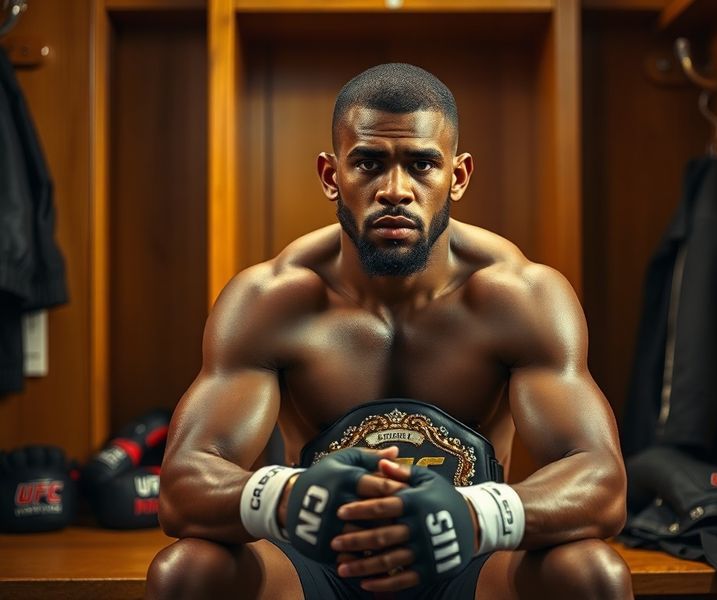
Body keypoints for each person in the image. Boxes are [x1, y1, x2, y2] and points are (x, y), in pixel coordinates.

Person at [145, 63, 633, 600]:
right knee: (186, 571)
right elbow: (182, 488)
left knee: (591, 574)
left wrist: (474, 515)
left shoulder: (520, 297)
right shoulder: (271, 300)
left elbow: (602, 484)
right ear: (333, 176)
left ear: (458, 175)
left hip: (468, 561)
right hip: (318, 566)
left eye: (422, 164)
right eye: (369, 164)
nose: (395, 190)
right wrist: (291, 498)